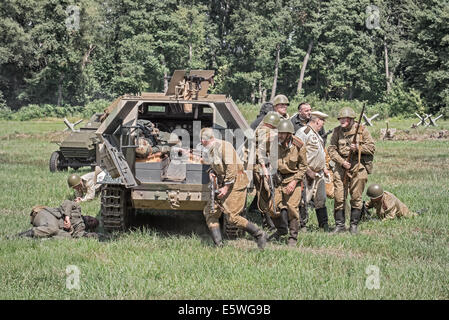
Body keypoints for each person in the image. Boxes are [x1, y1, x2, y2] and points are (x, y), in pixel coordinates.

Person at [200, 128, 267, 249]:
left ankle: (259, 234)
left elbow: (231, 168)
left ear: (210, 139)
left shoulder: (225, 147)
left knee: (233, 217)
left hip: (236, 183)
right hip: (221, 182)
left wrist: (226, 187)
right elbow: (216, 165)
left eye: (204, 141)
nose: (202, 143)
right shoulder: (211, 149)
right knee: (210, 212)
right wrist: (212, 172)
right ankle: (218, 245)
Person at [327, 107, 375, 234]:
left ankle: (353, 225)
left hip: (358, 166)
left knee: (356, 197)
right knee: (339, 196)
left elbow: (371, 148)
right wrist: (342, 162)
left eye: (344, 118)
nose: (341, 121)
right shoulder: (337, 131)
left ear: (351, 119)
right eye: (340, 118)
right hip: (341, 166)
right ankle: (340, 225)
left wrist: (358, 148)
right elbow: (331, 149)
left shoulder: (362, 130)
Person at [267, 120, 308, 246]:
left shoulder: (298, 145)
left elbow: (303, 167)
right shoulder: (272, 142)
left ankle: (293, 237)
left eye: (283, 133)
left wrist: (294, 182)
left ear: (289, 134)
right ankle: (281, 230)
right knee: (272, 207)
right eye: (279, 133)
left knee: (292, 207)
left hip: (294, 178)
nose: (280, 135)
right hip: (278, 178)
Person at [295, 111, 330, 232]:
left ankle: (323, 224)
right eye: (322, 121)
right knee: (304, 200)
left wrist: (324, 168)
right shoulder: (303, 132)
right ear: (317, 121)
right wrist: (307, 170)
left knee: (321, 199)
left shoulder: (317, 134)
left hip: (319, 173)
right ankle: (301, 225)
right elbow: (296, 153)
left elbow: (320, 153)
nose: (323, 124)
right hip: (307, 173)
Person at [252, 111, 281, 230]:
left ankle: (268, 221)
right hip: (263, 166)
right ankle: (270, 222)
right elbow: (262, 151)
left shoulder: (260, 129)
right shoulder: (266, 132)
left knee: (264, 193)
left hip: (259, 165)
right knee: (267, 193)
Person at [16, 200, 99, 239]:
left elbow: (82, 235)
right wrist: (67, 217)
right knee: (53, 228)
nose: (90, 220)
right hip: (47, 214)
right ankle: (18, 236)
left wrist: (70, 228)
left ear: (89, 228)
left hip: (54, 226)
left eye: (92, 223)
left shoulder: (79, 230)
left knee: (67, 237)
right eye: (91, 218)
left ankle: (43, 239)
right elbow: (67, 203)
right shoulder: (77, 209)